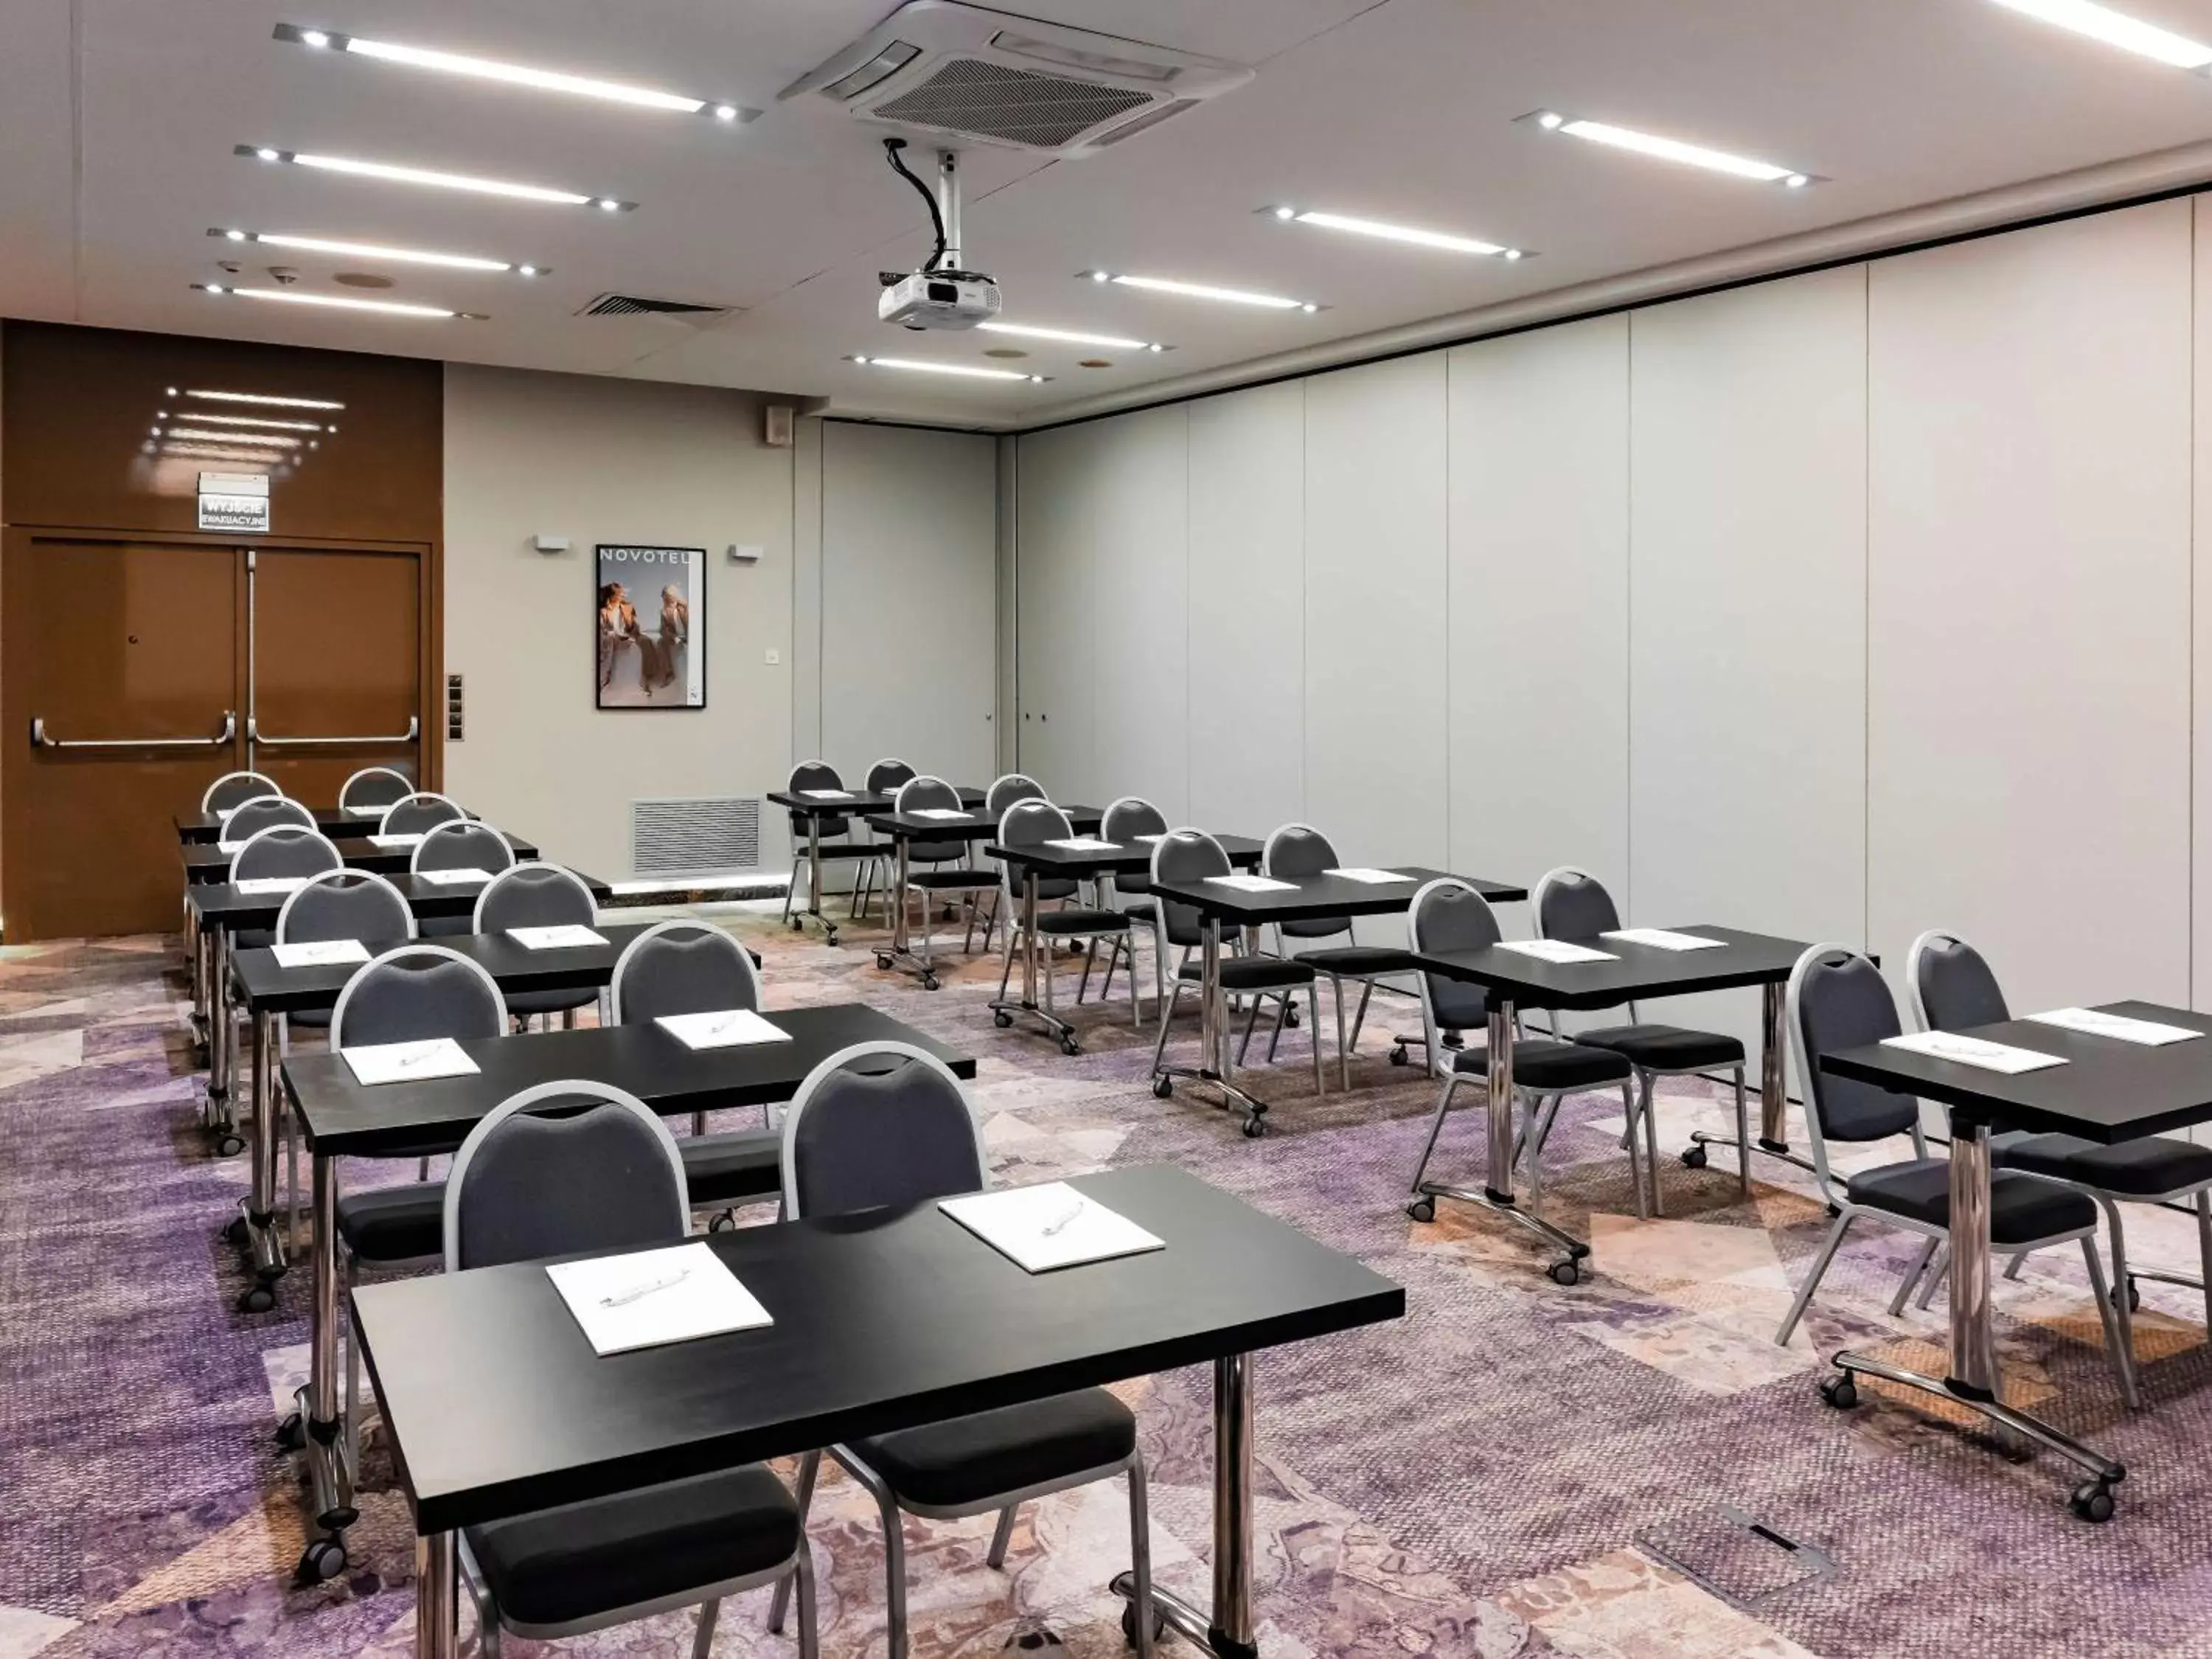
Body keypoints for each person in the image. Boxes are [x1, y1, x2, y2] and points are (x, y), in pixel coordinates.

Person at [654, 583, 689, 694]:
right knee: (660, 642)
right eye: (664, 596)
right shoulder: (664, 611)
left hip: (689, 635)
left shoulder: (684, 606)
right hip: (676, 637)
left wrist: (689, 637)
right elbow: (663, 630)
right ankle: (669, 674)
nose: (665, 598)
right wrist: (674, 638)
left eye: (667, 595)